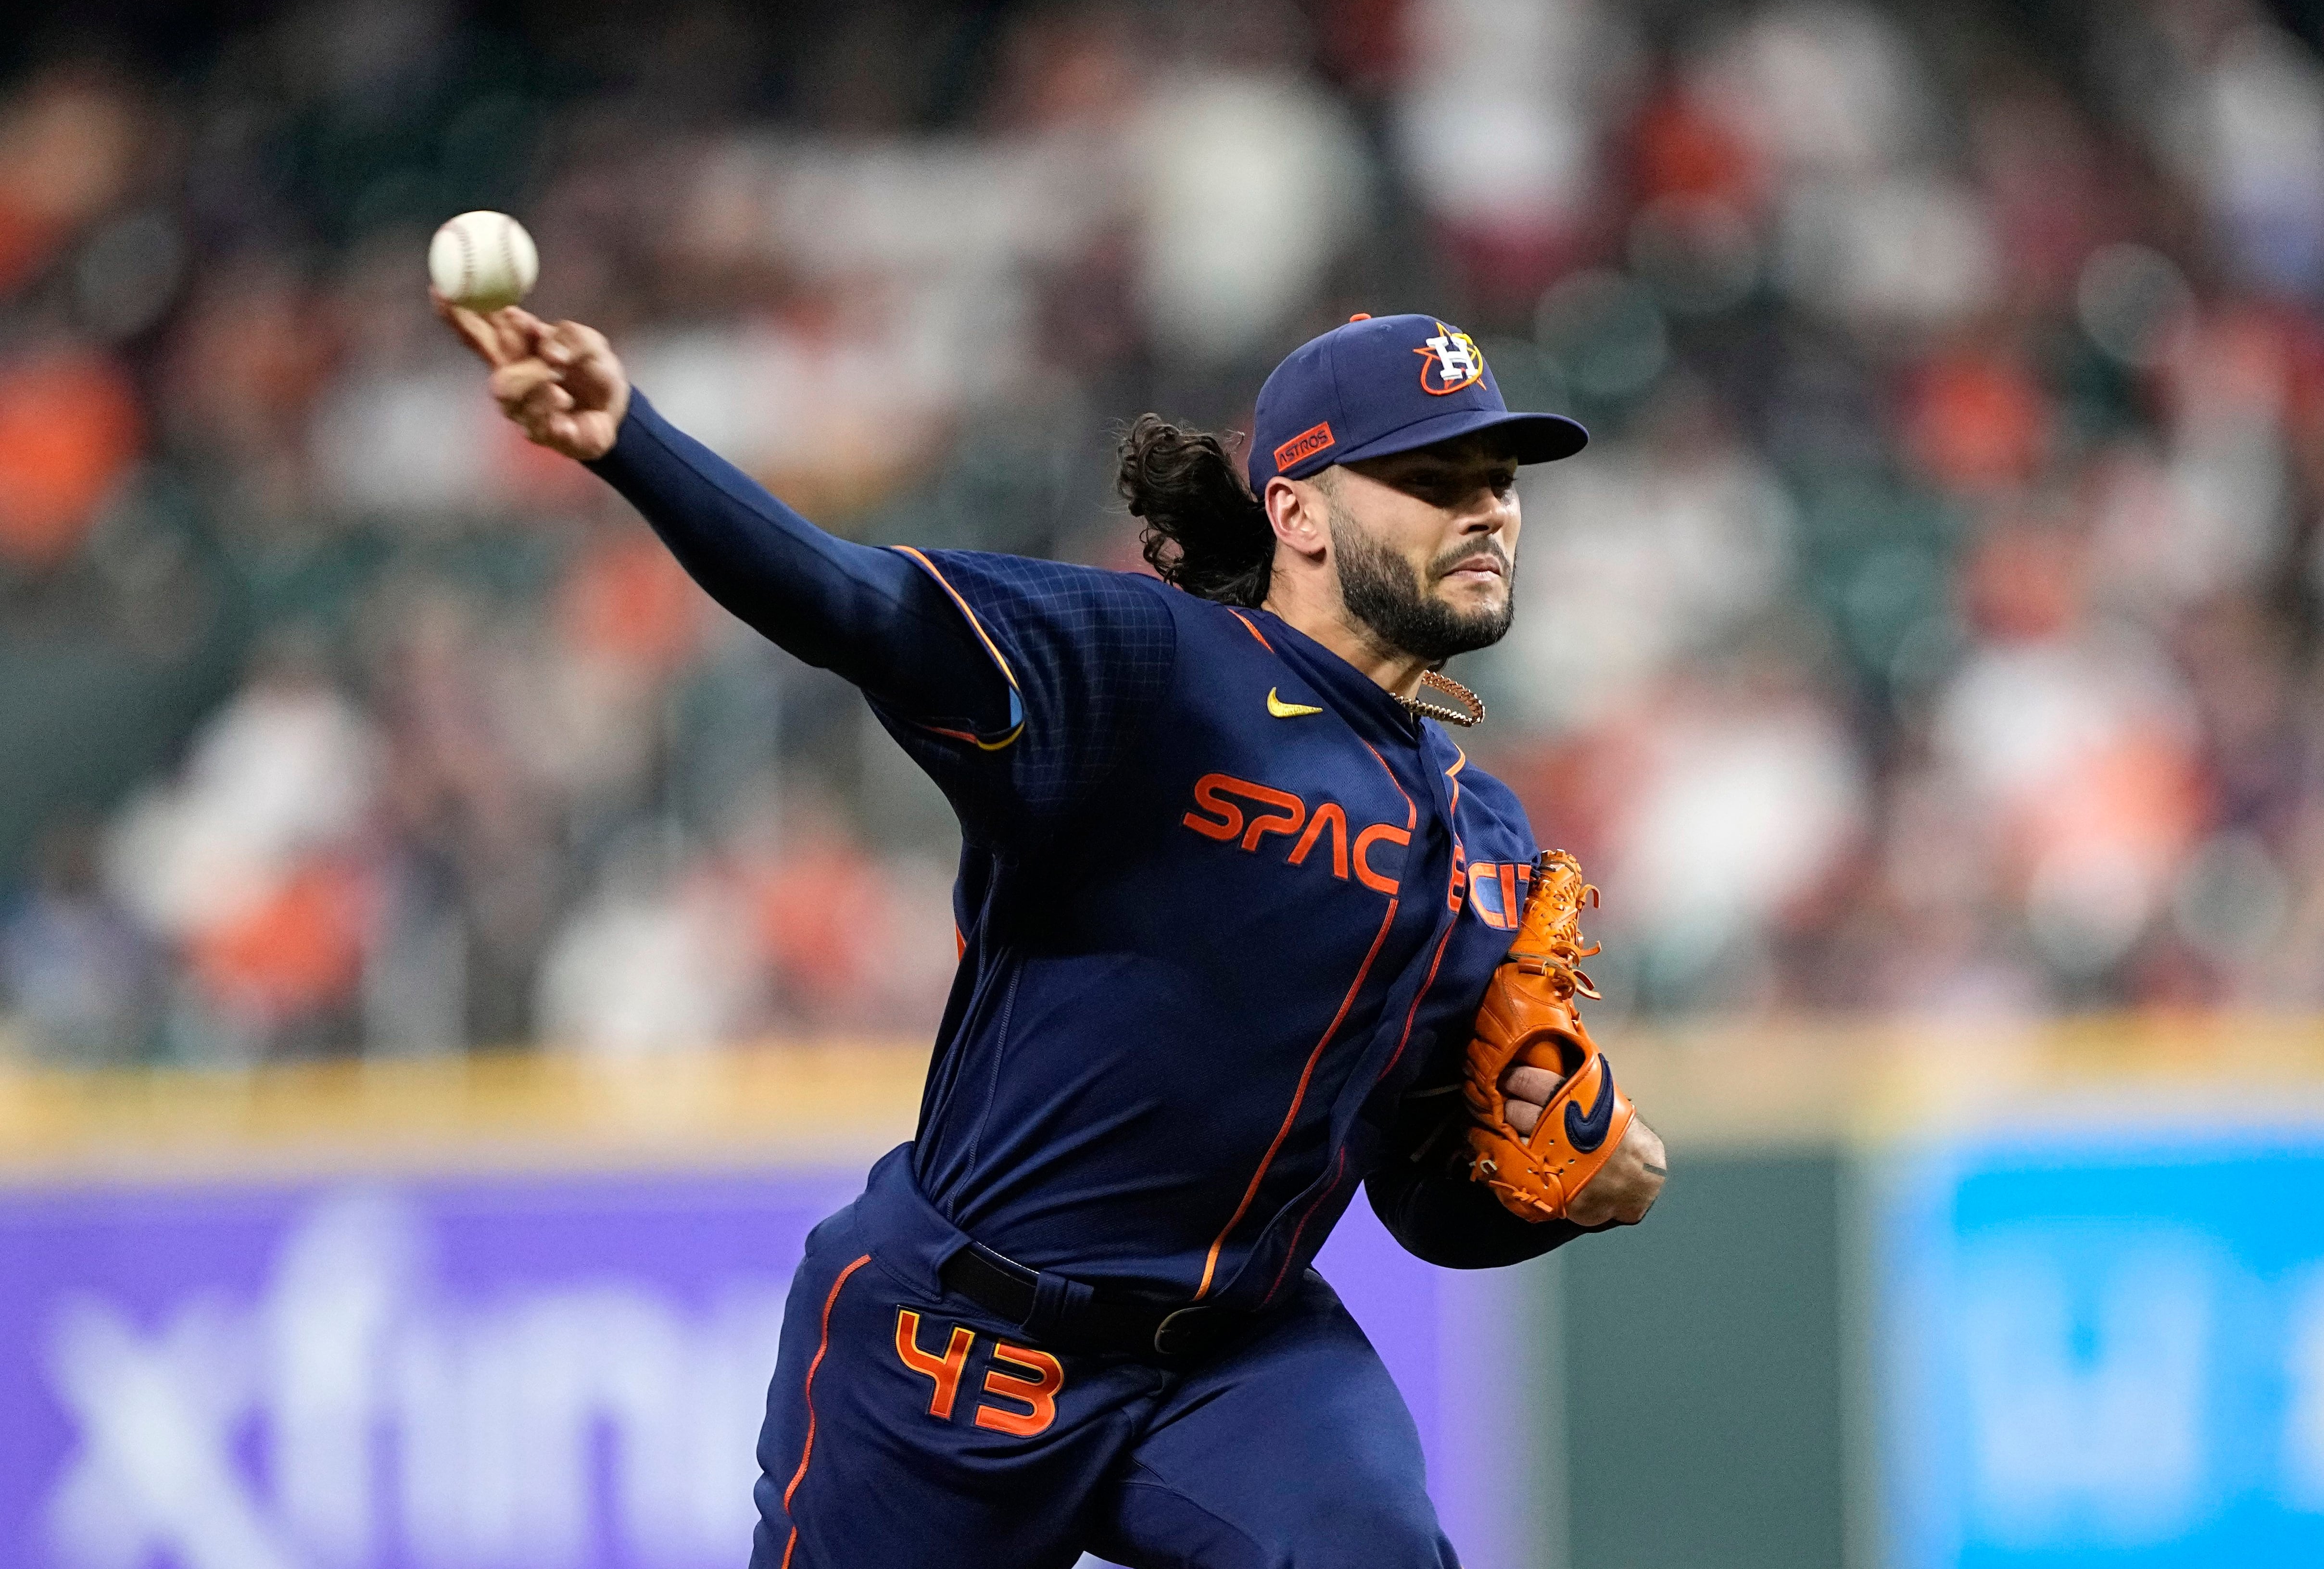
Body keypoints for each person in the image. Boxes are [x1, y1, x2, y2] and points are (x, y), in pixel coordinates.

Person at [438, 295, 1667, 1569]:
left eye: (1499, 479)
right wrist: (631, 439)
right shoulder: (1155, 671)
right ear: (1297, 511)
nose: (1486, 509)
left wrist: (1560, 1180)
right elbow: (862, 607)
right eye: (1430, 476)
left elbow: (1421, 1203)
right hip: (949, 1351)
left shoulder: (1489, 842)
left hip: (1232, 1364)